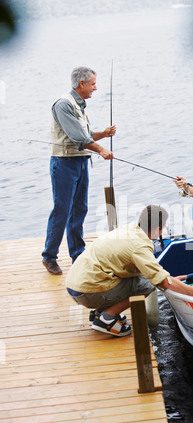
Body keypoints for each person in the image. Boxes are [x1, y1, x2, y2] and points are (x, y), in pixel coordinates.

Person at [66, 205, 193, 337]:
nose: (162, 232)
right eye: (162, 228)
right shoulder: (140, 246)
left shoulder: (130, 230)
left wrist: (171, 279)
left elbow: (153, 272)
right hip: (88, 291)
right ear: (156, 229)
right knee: (147, 285)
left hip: (76, 285)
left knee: (143, 278)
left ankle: (98, 314)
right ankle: (106, 318)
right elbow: (162, 282)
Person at [42, 66, 115, 275]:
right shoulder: (63, 104)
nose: (95, 88)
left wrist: (103, 134)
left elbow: (86, 133)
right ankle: (49, 256)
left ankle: (78, 254)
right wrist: (101, 150)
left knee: (80, 209)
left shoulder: (79, 105)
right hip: (64, 163)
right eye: (92, 84)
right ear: (81, 84)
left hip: (81, 162)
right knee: (62, 210)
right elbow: (79, 138)